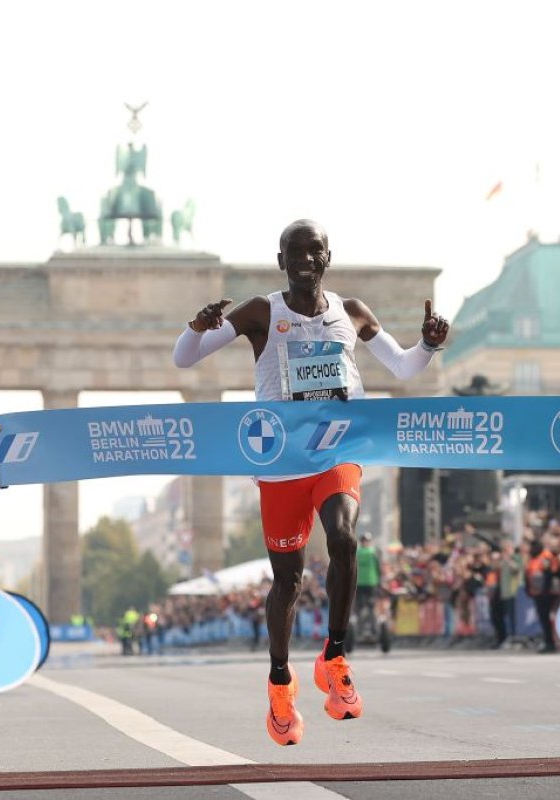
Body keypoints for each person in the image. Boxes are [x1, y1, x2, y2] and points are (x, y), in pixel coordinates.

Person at [173, 219, 449, 746]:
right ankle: (280, 680)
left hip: (337, 450)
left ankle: (335, 655)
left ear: (327, 257)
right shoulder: (261, 311)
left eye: (313, 250)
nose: (304, 258)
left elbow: (404, 367)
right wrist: (197, 328)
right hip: (279, 460)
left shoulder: (352, 312)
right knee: (289, 581)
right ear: (281, 261)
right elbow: (185, 359)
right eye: (293, 252)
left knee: (344, 538)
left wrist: (428, 347)